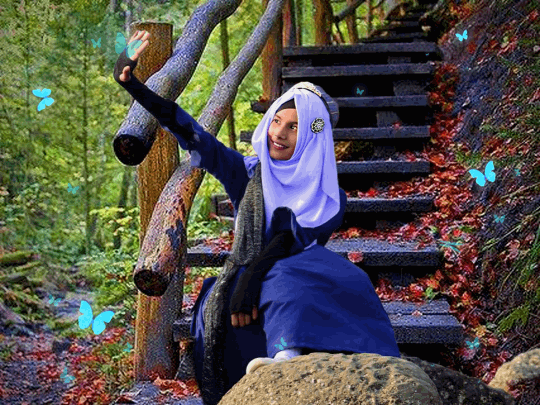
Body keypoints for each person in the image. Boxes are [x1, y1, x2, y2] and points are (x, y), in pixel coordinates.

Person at [114, 30, 401, 402]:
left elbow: (292, 241)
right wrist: (134, 85)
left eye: (294, 127)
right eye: (277, 120)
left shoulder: (328, 197)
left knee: (324, 277)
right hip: (245, 282)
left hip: (293, 276)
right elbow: (190, 132)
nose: (279, 133)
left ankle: (301, 361)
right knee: (259, 290)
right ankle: (276, 366)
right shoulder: (247, 174)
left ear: (311, 138)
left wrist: (253, 275)